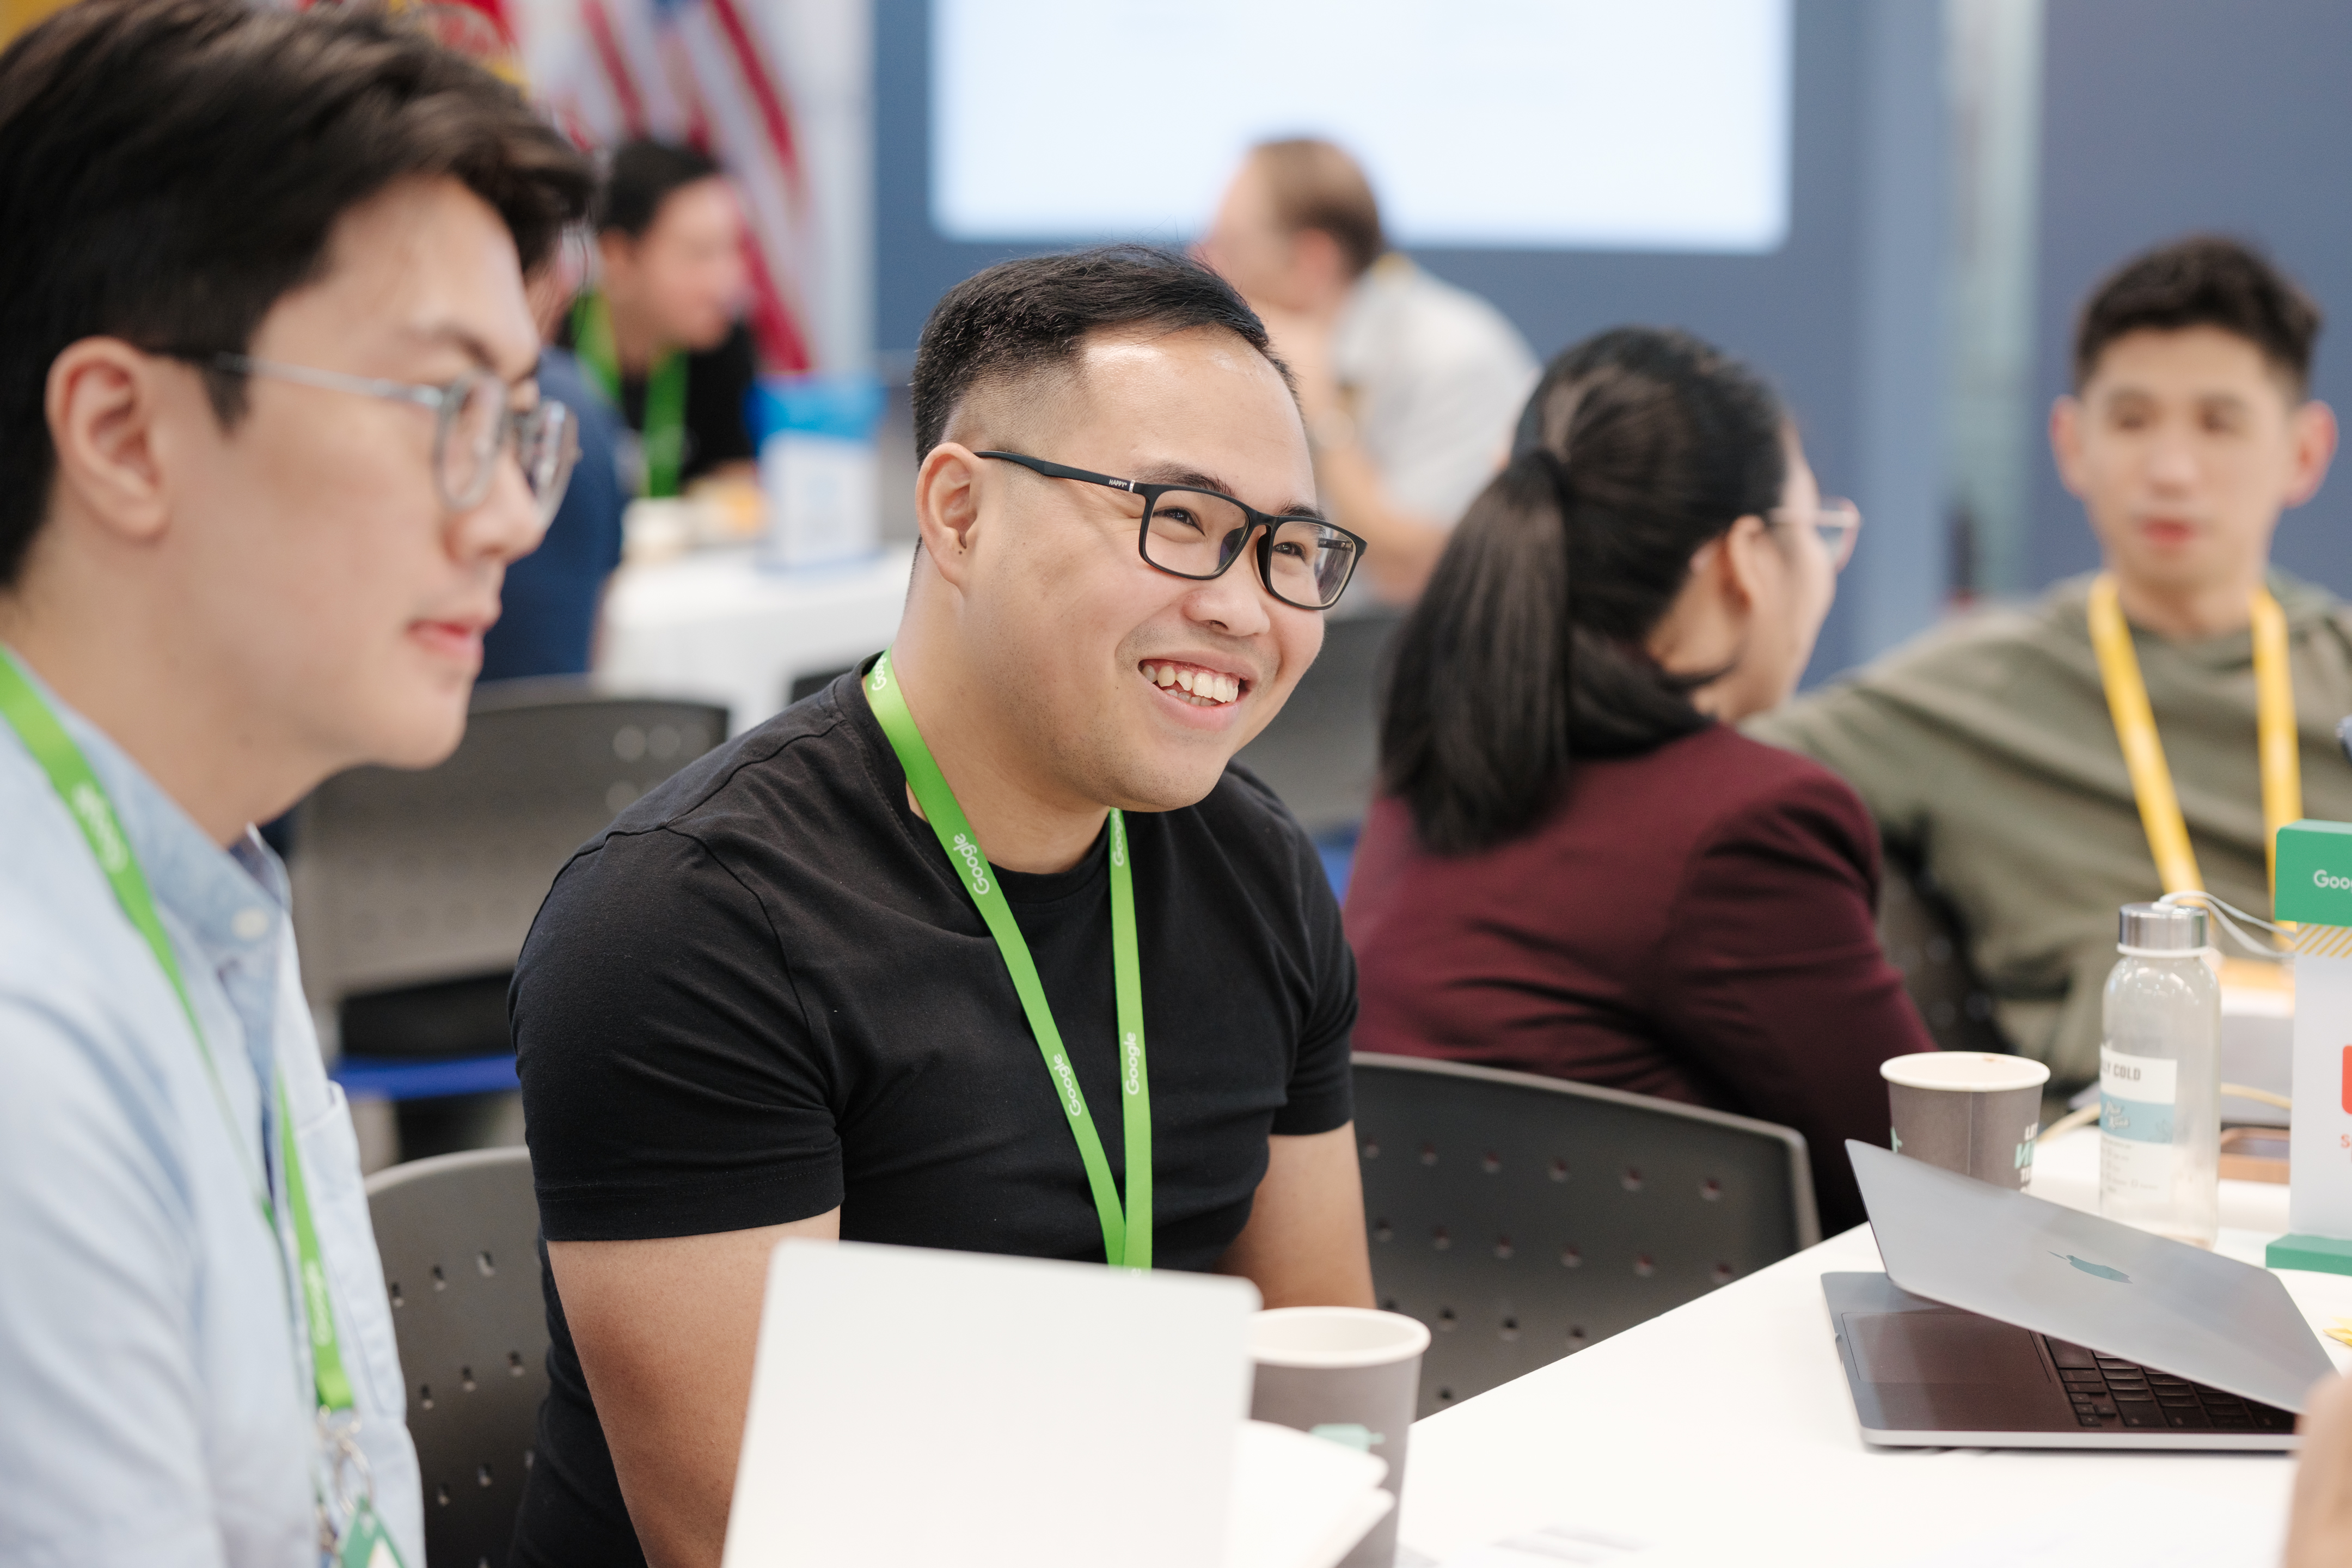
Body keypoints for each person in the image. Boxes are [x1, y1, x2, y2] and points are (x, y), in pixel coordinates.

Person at [509, 245, 1375, 1567]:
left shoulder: (1251, 866)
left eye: (1287, 548)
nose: (1243, 606)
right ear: (959, 513)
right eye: (1180, 521)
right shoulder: (692, 924)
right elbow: (745, 1542)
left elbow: (1319, 1398)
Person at [0, 0, 590, 1560]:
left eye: (521, 425)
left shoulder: (203, 875)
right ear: (124, 431)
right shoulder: (26, 1045)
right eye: (440, 408)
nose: (508, 523)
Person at [1343, 328, 1936, 1233]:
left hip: (1438, 1359)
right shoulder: (1747, 826)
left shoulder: (1426, 775)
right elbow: (1930, 1190)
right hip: (1690, 1366)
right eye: (1817, 531)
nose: (1824, 566)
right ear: (1742, 558)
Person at [1751, 236, 2349, 1094]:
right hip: (2108, 1147)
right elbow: (1719, 778)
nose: (2173, 471)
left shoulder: (2339, 670)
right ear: (2071, 443)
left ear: (2303, 452)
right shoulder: (1969, 692)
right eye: (2132, 420)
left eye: (2220, 423)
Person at [1197, 137, 1537, 605]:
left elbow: (1412, 575)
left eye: (1229, 245)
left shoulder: (1456, 357)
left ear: (1310, 261)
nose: (1203, 263)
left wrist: (1324, 416)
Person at [561, 137, 758, 498]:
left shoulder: (724, 346)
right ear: (618, 256)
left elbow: (737, 491)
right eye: (699, 254)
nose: (728, 281)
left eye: (733, 249)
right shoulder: (553, 345)